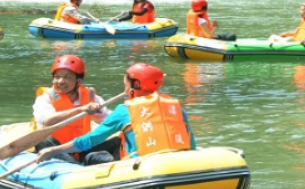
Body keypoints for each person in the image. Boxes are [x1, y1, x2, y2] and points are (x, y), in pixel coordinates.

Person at [37, 63, 196, 163]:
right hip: (179, 161)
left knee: (92, 157)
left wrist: (55, 150)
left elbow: (91, 139)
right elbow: (191, 140)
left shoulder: (125, 110)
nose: (125, 88)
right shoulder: (175, 107)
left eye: (126, 84)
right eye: (57, 77)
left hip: (142, 166)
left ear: (136, 84)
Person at [32, 55, 117, 165]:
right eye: (57, 77)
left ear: (79, 80)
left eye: (67, 77)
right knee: (44, 141)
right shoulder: (46, 97)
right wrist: (81, 109)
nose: (60, 81)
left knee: (116, 142)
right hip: (54, 148)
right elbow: (47, 120)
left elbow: (108, 118)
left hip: (81, 147)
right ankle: (76, 168)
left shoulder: (90, 96)